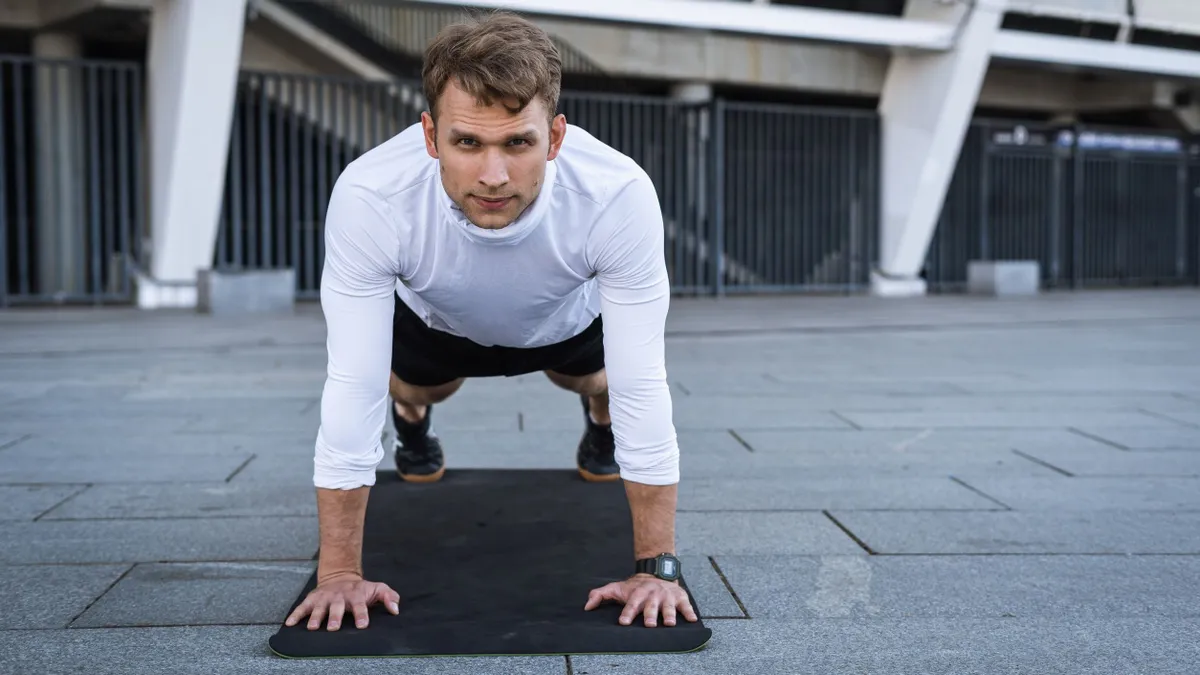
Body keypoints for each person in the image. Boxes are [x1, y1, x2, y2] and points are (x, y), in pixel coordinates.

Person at [284, 11, 697, 634]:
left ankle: (599, 422)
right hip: (439, 324)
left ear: (555, 137)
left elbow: (645, 379)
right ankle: (413, 422)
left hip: (561, 322)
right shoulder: (372, 194)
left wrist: (657, 569)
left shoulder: (615, 194)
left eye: (518, 144)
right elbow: (352, 382)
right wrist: (339, 572)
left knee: (606, 383)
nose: (494, 176)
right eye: (468, 144)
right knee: (409, 388)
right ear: (430, 136)